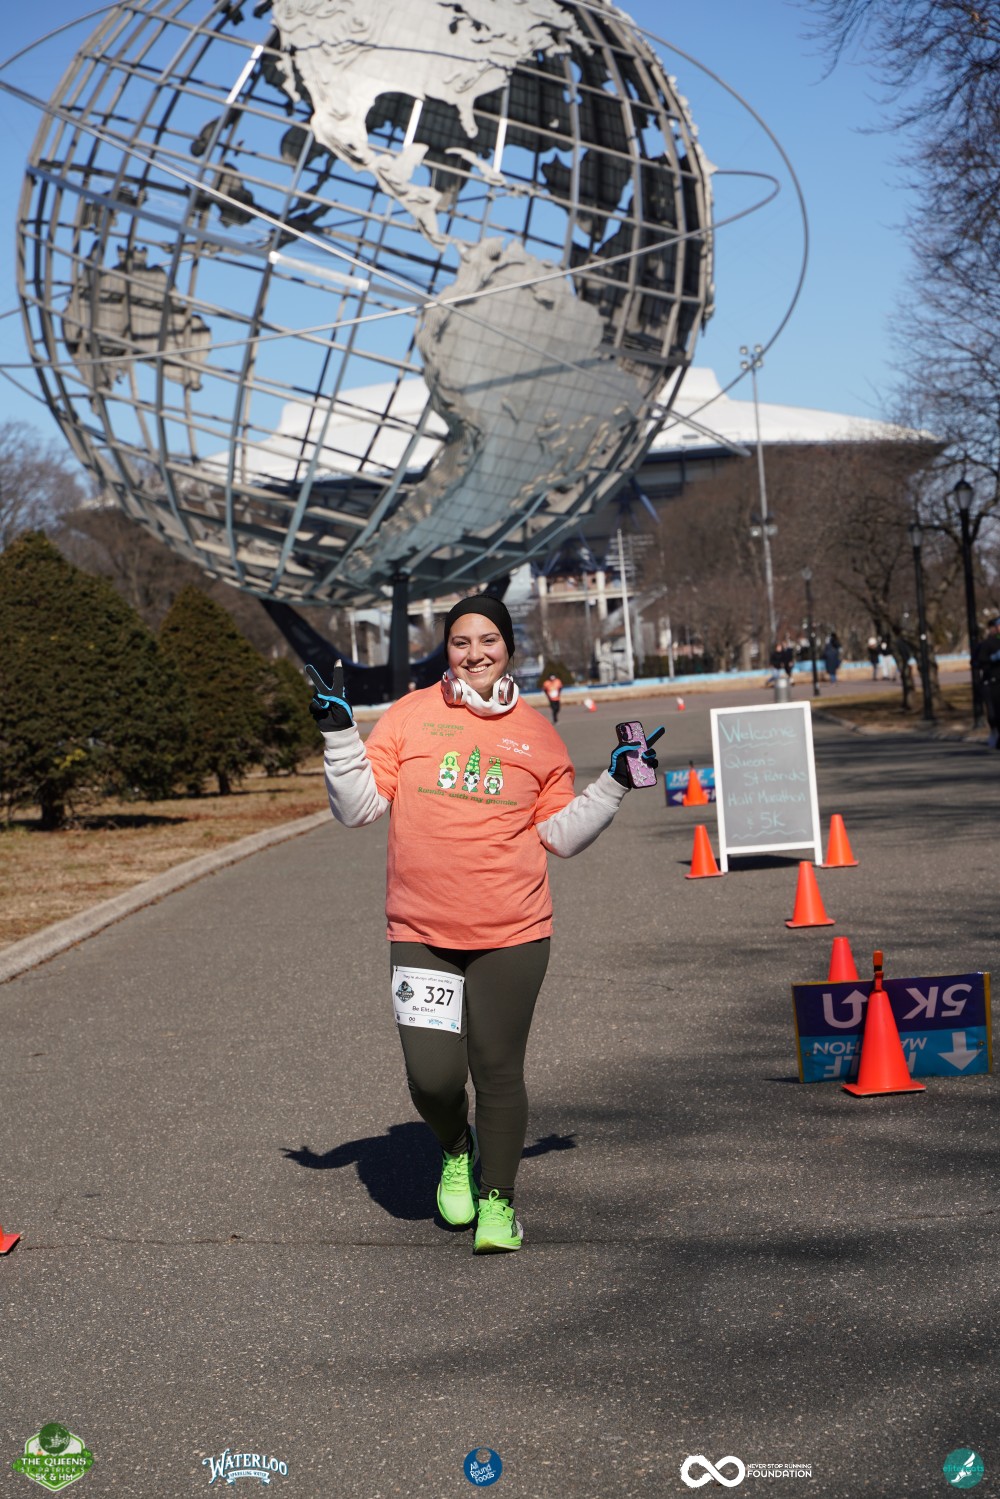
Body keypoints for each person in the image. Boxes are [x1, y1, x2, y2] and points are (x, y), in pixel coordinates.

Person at [309, 596, 660, 1255]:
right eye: (461, 641)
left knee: (498, 1070)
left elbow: (560, 835)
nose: (475, 653)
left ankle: (499, 1200)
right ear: (446, 649)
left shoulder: (538, 735)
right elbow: (358, 808)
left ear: (509, 648)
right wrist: (339, 737)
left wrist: (613, 784)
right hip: (421, 931)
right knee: (433, 1078)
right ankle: (455, 1147)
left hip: (513, 931)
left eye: (488, 639)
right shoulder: (409, 715)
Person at [974, 614, 1000, 749]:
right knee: (993, 713)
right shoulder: (987, 644)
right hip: (991, 682)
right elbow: (977, 662)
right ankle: (995, 731)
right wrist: (993, 658)